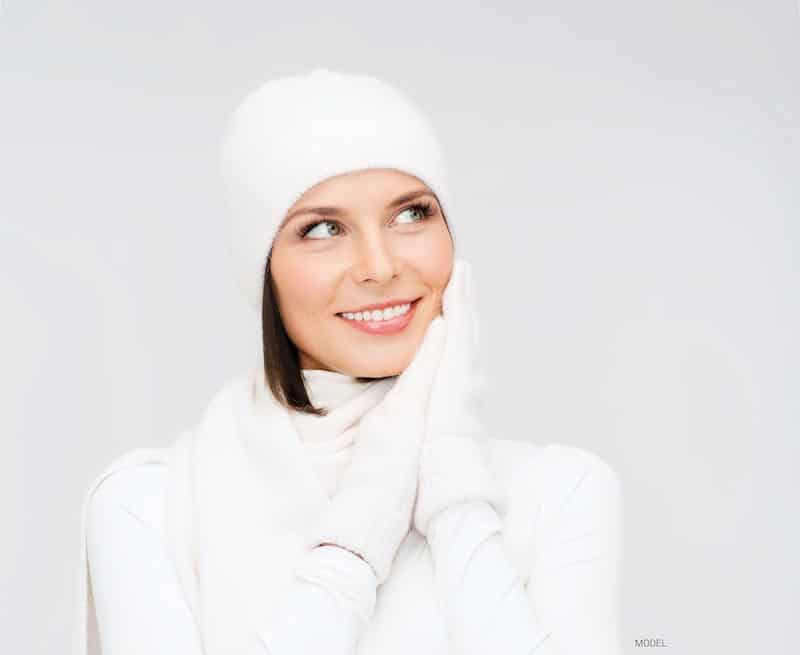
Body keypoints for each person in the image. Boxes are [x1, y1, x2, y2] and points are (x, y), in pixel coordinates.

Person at [71, 68, 623, 655]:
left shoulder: (557, 491)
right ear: (263, 271)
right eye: (323, 228)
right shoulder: (147, 507)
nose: (380, 266)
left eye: (411, 214)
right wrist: (358, 535)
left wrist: (456, 496)